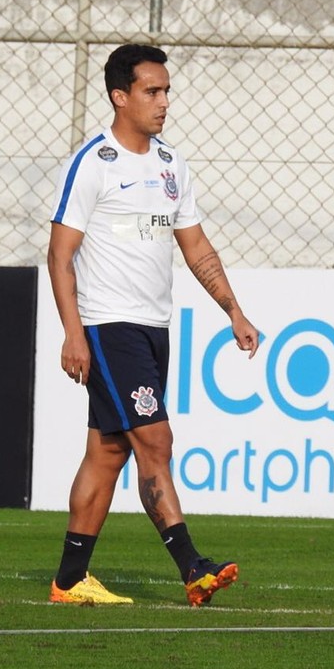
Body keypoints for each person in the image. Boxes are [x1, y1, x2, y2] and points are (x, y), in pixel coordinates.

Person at [46, 44, 259, 606]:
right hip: (107, 325)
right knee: (155, 441)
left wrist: (232, 308)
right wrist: (73, 332)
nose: (164, 102)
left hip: (153, 328)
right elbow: (60, 255)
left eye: (166, 91)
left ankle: (69, 581)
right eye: (152, 91)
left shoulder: (171, 164)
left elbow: (194, 245)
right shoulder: (93, 162)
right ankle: (193, 567)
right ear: (121, 97)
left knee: (108, 452)